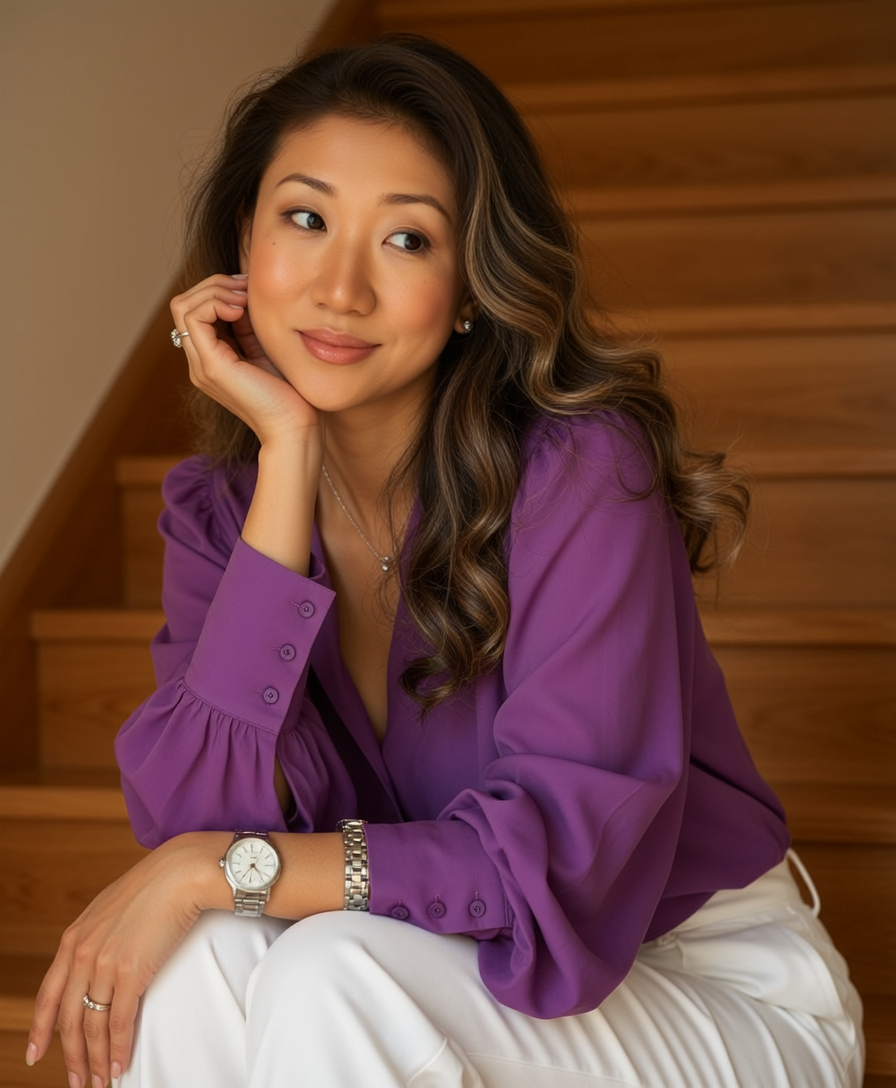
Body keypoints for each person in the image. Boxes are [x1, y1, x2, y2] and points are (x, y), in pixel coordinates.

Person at [27, 35, 863, 1088]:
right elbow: (194, 820)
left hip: (696, 985)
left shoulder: (583, 473)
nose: (339, 287)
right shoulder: (223, 511)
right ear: (243, 241)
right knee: (205, 955)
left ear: (470, 284)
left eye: (407, 240)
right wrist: (285, 459)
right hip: (431, 968)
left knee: (328, 968)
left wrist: (216, 868)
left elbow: (552, 862)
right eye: (305, 218)